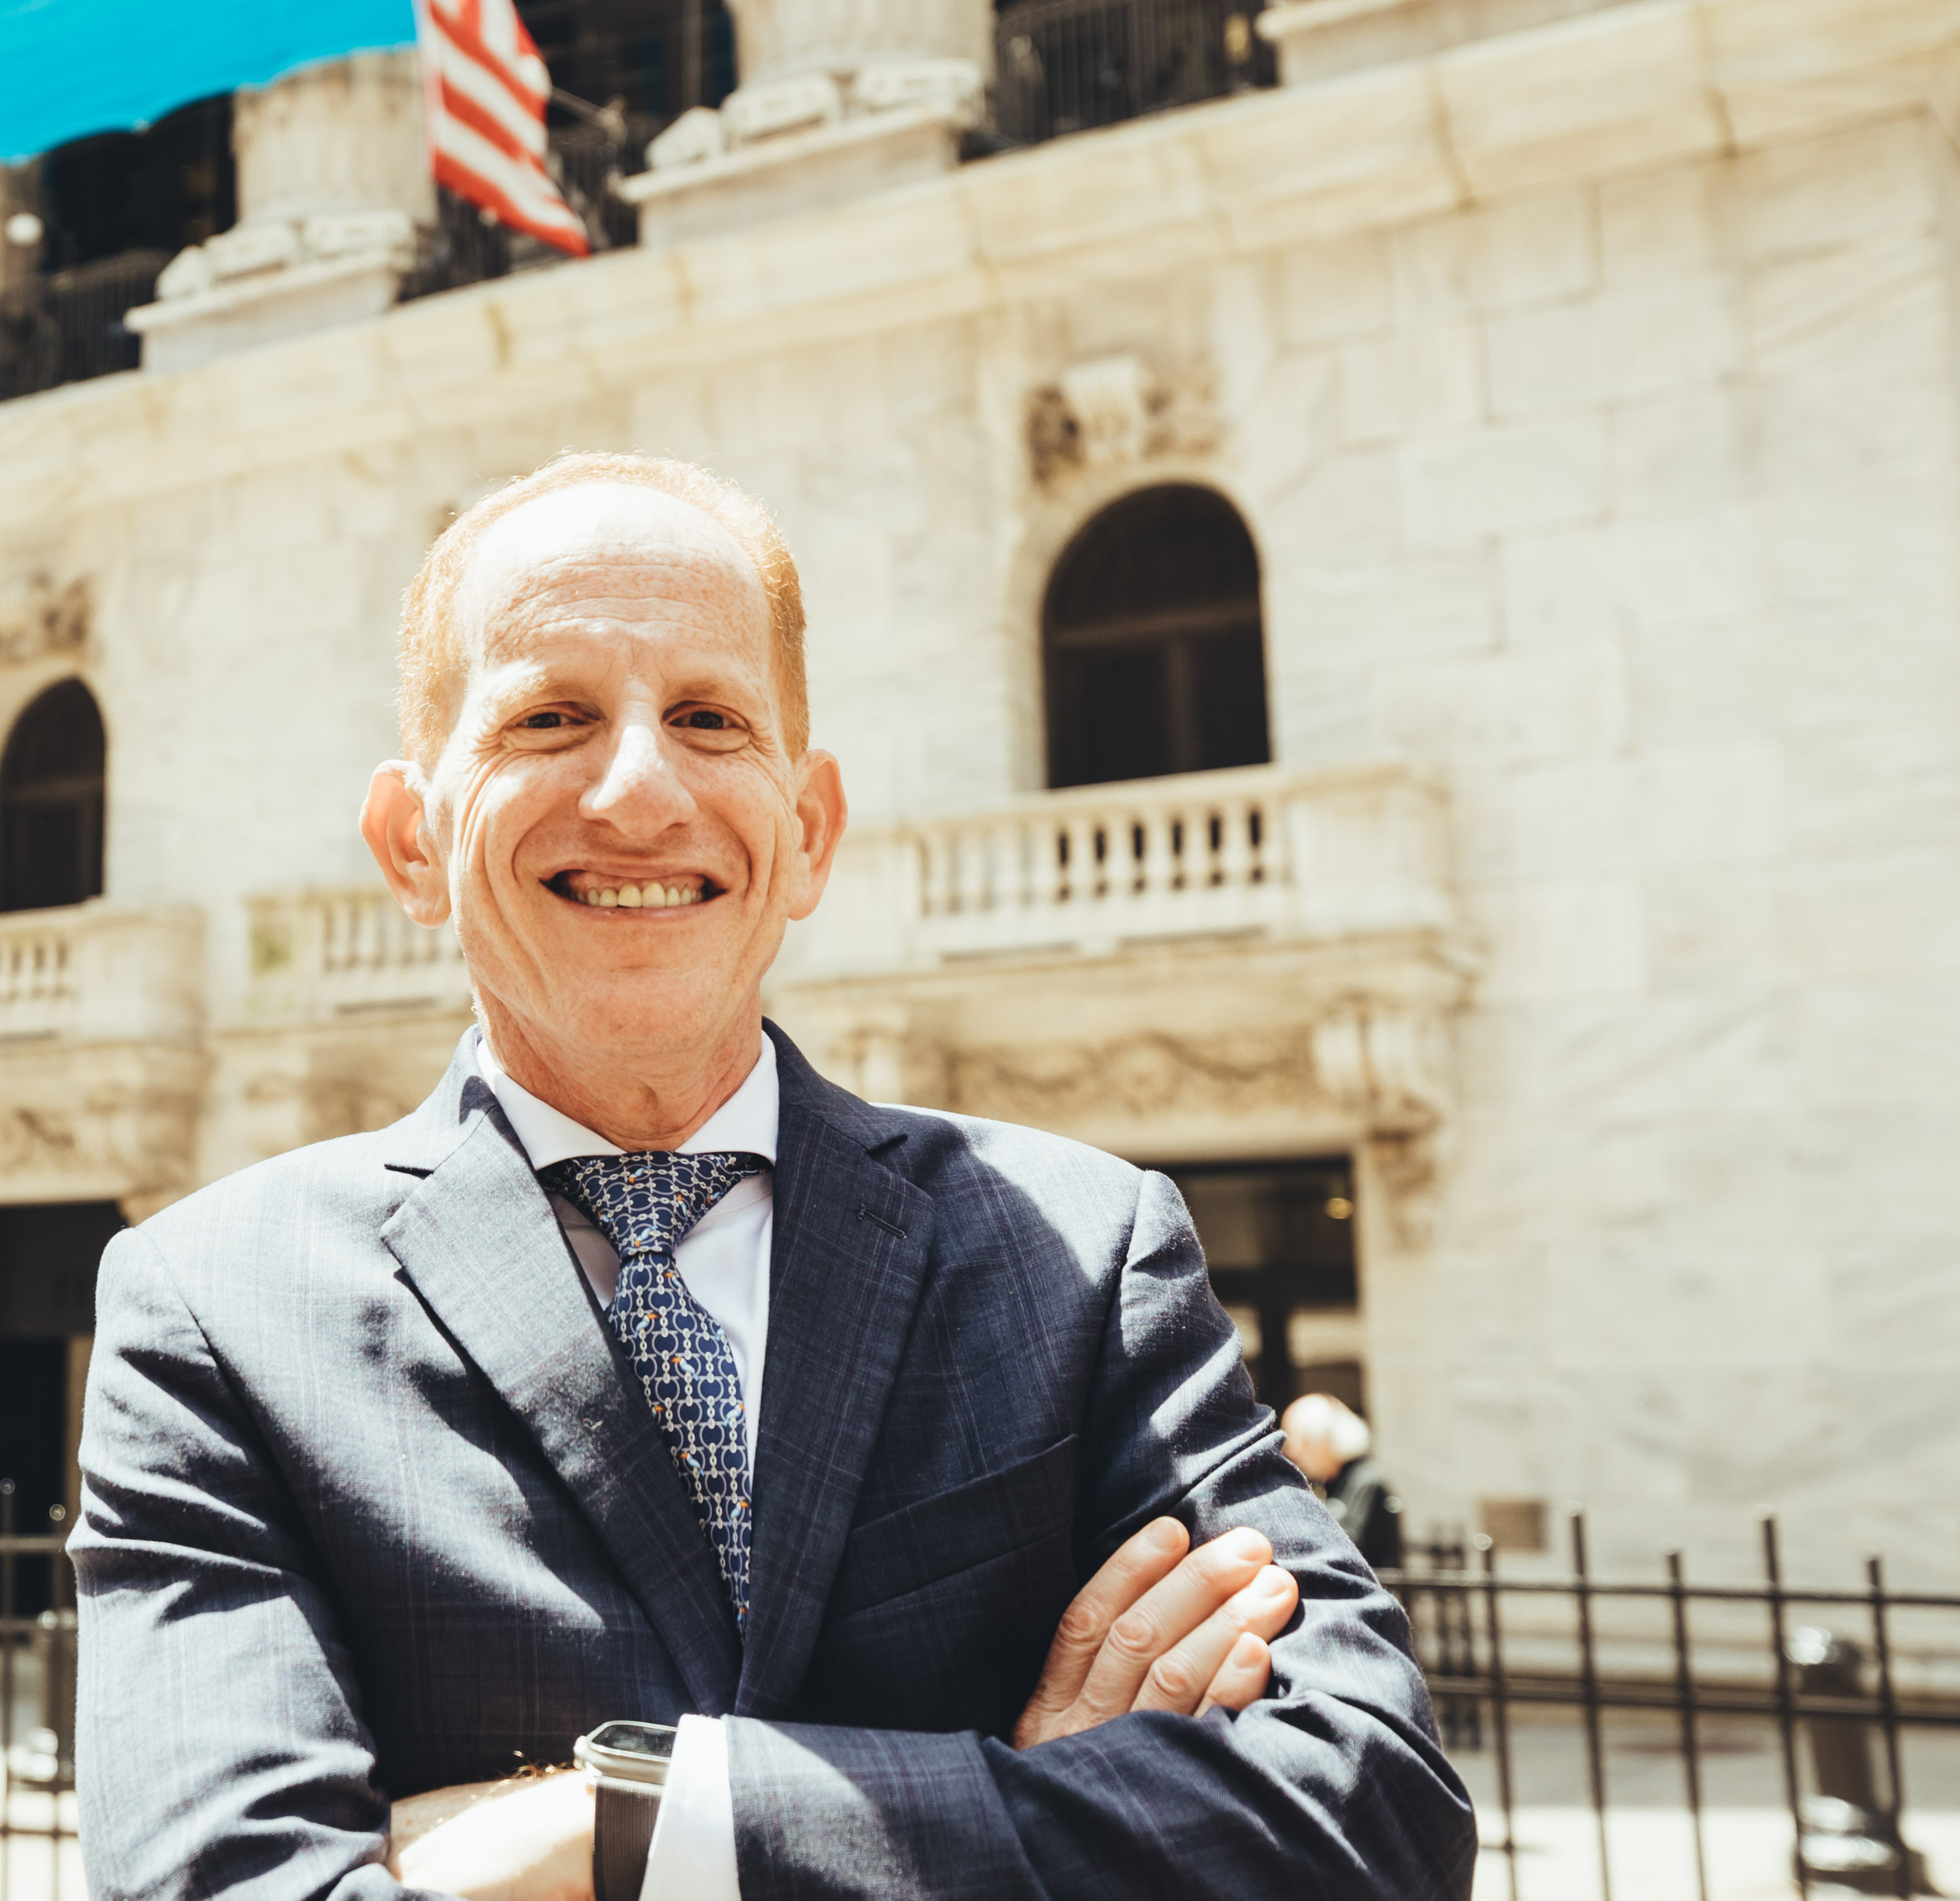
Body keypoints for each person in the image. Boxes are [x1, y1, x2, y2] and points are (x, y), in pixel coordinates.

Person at [71, 454, 1472, 1900]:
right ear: (409, 843)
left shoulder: (1083, 1250)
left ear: (806, 832)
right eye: (549, 717)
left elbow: (1368, 1817)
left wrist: (629, 1824)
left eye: (707, 718)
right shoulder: (214, 1311)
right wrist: (1016, 1803)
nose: (636, 790)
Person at [1284, 1393, 1408, 1572]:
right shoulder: (1326, 1483)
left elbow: (1348, 1545)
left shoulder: (1367, 1480)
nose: (1293, 1451)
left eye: (1302, 1440)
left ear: (1331, 1438)